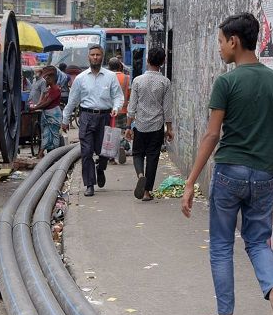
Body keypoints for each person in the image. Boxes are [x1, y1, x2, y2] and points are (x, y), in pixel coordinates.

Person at [182, 12, 273, 315]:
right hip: (263, 175)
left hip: (229, 173)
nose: (219, 49)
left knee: (221, 243)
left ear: (234, 41)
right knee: (257, 240)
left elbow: (211, 136)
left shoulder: (227, 82)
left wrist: (190, 181)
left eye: (220, 42)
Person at [61, 44, 124, 197]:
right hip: (86, 117)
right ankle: (89, 184)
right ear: (88, 57)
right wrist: (65, 119)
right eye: (92, 55)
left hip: (105, 117)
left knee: (104, 151)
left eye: (98, 55)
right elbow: (73, 100)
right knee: (87, 152)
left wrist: (116, 107)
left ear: (102, 57)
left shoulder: (110, 76)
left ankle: (101, 168)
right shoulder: (81, 79)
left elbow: (118, 96)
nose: (95, 57)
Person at [126, 47, 173, 201]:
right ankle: (147, 192)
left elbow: (132, 107)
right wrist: (169, 129)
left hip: (140, 125)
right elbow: (167, 108)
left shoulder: (138, 80)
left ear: (147, 60)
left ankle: (140, 175)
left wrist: (128, 126)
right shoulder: (165, 82)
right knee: (153, 157)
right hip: (157, 126)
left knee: (138, 153)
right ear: (163, 61)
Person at [29, 66, 64, 158]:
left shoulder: (56, 90)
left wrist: (35, 108)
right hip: (47, 114)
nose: (45, 80)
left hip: (53, 114)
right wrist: (36, 106)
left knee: (53, 135)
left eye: (47, 78)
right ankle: (45, 154)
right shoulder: (49, 90)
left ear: (52, 78)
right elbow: (43, 101)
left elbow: (47, 103)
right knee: (46, 134)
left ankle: (52, 155)